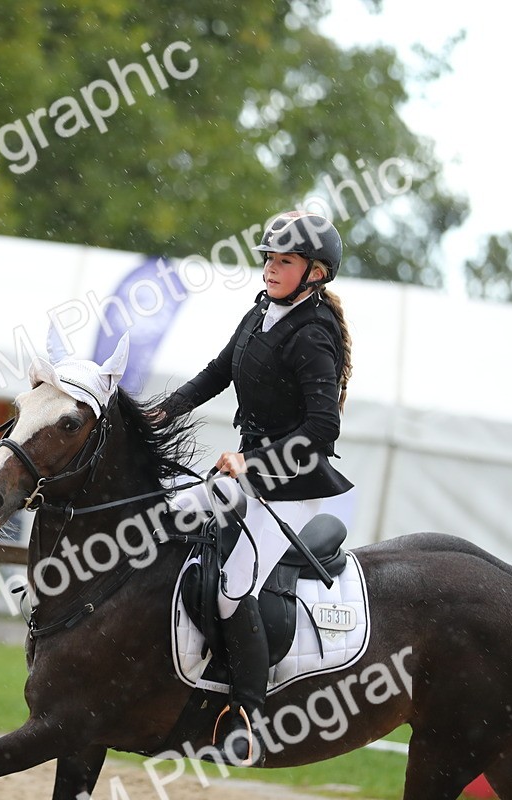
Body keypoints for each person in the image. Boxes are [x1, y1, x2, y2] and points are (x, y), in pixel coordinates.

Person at [155, 210, 354, 765]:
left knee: (231, 586)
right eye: (267, 258)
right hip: (249, 471)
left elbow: (322, 430)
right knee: (168, 521)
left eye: (283, 261)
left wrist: (250, 462)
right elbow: (218, 372)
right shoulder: (263, 312)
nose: (270, 267)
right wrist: (163, 412)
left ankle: (246, 715)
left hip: (295, 485)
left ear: (314, 272)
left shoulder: (314, 334)